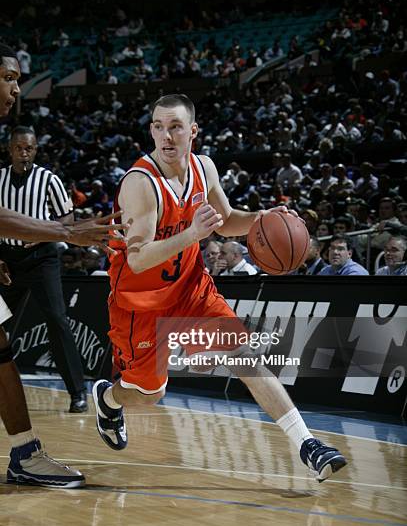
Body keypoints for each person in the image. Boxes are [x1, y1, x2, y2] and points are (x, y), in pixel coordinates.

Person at [93, 94, 347, 483]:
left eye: (175, 126)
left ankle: (307, 443)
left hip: (191, 288)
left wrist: (265, 217)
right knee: (149, 393)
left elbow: (226, 220)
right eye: (158, 126)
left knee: (242, 353)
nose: (166, 135)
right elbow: (138, 258)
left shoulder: (204, 168)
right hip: (139, 302)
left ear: (193, 131)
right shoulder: (139, 183)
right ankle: (108, 400)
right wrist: (193, 233)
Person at [0, 42, 128, 487]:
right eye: (9, 78)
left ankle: (27, 452)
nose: (17, 88)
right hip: (19, 250)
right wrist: (69, 232)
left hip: (39, 258)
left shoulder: (48, 179)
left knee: (8, 349)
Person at [0, 127, 89, 413]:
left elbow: (67, 223)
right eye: (19, 148)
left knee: (57, 320)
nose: (24, 153)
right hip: (7, 259)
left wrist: (47, 234)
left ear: (36, 149)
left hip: (41, 258)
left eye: (30, 148)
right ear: (10, 149)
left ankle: (78, 393)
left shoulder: (49, 179)